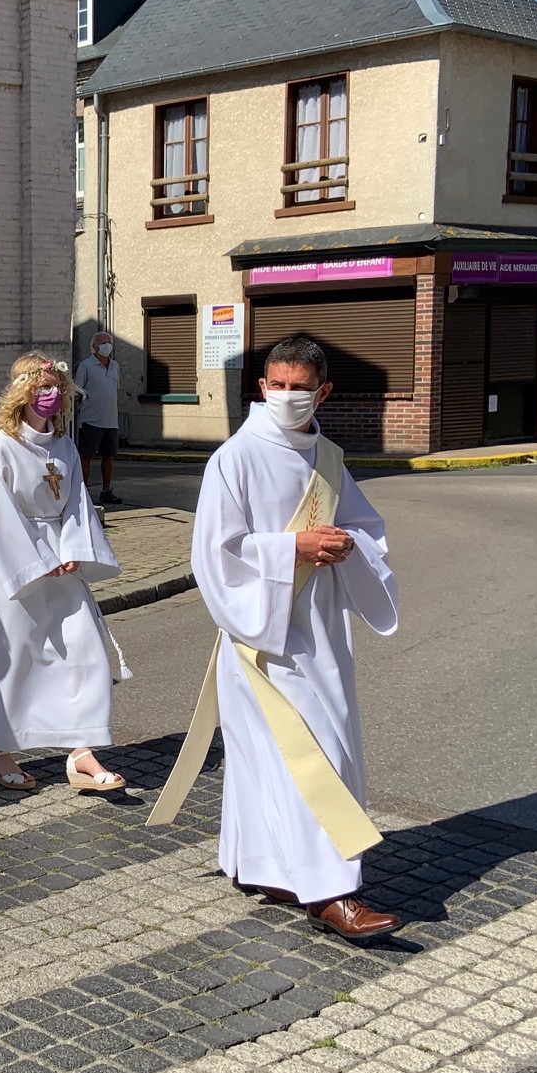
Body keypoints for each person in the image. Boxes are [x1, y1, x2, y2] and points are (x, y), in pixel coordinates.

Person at [169, 336, 402, 944]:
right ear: (262, 387)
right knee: (307, 754)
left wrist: (347, 545)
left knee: (306, 752)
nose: (287, 395)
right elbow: (214, 553)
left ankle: (268, 869)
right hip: (261, 636)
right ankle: (331, 891)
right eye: (278, 385)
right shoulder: (235, 458)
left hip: (319, 627)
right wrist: (293, 547)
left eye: (301, 387)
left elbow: (367, 529)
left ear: (323, 392)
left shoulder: (328, 458)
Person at [0, 353, 128, 794]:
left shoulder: (64, 446)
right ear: (22, 393)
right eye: (42, 387)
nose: (51, 394)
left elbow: (77, 503)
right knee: (12, 656)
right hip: (12, 566)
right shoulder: (0, 448)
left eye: (57, 387)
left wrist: (75, 549)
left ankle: (81, 750)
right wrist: (37, 558)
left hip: (63, 561)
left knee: (83, 650)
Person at [75, 330, 122, 505]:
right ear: (94, 347)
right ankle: (83, 492)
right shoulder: (86, 366)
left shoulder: (115, 366)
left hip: (110, 420)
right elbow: (77, 391)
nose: (107, 346)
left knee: (109, 456)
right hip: (90, 420)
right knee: (86, 456)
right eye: (103, 343)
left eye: (109, 342)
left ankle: (106, 490)